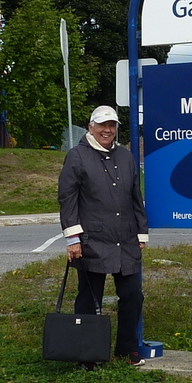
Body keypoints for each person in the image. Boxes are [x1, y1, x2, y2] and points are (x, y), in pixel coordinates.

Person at [58, 105, 149, 367]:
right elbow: (68, 198)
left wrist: (142, 233)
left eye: (112, 126)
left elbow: (135, 197)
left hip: (126, 240)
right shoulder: (77, 156)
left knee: (133, 296)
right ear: (91, 127)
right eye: (102, 126)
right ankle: (87, 354)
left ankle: (127, 349)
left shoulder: (126, 156)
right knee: (89, 299)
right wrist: (72, 238)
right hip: (91, 243)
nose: (107, 130)